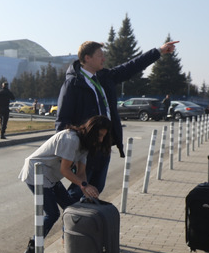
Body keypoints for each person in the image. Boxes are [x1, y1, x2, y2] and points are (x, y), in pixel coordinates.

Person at [56, 40, 178, 201]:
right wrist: (64, 152)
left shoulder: (104, 78)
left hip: (104, 144)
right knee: (79, 189)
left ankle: (85, 223)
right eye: (100, 55)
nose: (103, 59)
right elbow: (63, 118)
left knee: (96, 188)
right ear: (87, 58)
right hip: (85, 146)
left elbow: (131, 67)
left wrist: (158, 51)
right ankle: (71, 222)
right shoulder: (73, 83)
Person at [17, 115, 113, 253]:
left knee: (71, 207)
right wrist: (84, 185)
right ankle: (32, 251)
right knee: (52, 213)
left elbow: (81, 173)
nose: (101, 140)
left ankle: (74, 246)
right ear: (92, 131)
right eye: (100, 135)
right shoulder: (71, 139)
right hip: (37, 172)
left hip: (50, 176)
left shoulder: (84, 145)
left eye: (104, 136)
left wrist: (86, 189)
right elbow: (65, 169)